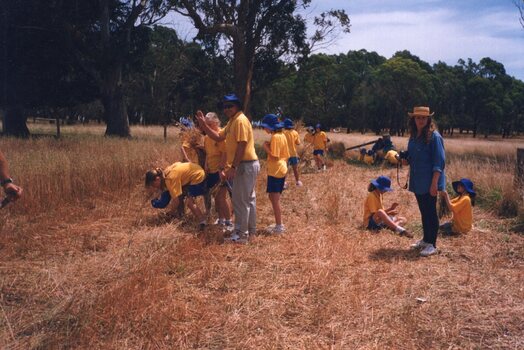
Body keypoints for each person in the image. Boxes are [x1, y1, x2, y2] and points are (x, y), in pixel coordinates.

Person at [195, 94, 260, 244]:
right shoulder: (232, 121)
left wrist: (233, 167)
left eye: (230, 106)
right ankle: (250, 231)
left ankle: (241, 234)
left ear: (237, 106)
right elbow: (218, 137)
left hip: (244, 164)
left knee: (240, 200)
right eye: (224, 107)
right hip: (244, 165)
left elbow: (242, 144)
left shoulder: (240, 121)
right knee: (247, 200)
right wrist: (204, 126)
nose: (227, 109)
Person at [405, 106, 446, 257]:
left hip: (430, 181)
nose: (421, 120)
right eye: (418, 117)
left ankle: (432, 244)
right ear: (413, 119)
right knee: (424, 211)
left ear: (428, 119)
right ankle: (426, 239)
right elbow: (412, 156)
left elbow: (439, 162)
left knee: (430, 212)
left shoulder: (434, 137)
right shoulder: (414, 136)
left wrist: (434, 183)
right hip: (418, 180)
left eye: (423, 118)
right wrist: (404, 160)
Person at [145, 162, 207, 229]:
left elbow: (176, 201)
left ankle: (202, 222)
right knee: (179, 195)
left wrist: (170, 213)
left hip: (198, 176)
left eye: (153, 185)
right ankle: (182, 218)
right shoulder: (164, 173)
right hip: (195, 170)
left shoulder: (170, 179)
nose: (155, 187)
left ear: (157, 179)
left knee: (190, 203)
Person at [261, 114, 290, 234]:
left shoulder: (276, 137)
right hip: (280, 169)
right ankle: (278, 223)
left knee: (275, 198)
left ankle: (279, 226)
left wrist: (265, 147)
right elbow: (286, 155)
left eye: (265, 127)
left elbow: (275, 155)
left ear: (271, 127)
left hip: (276, 170)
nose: (264, 129)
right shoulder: (281, 135)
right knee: (272, 197)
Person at [203, 112, 232, 228]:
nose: (208, 127)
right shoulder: (206, 137)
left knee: (221, 197)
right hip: (211, 170)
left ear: (216, 122)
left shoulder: (220, 135)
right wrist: (206, 164)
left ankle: (229, 221)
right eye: (206, 125)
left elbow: (224, 154)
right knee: (216, 196)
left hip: (221, 170)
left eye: (210, 124)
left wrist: (221, 169)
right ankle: (221, 219)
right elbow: (208, 153)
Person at [283, 118, 303, 186]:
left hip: (285, 154)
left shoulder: (283, 133)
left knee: (284, 169)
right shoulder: (295, 133)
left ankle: (283, 183)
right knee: (295, 169)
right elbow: (298, 143)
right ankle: (298, 181)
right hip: (293, 153)